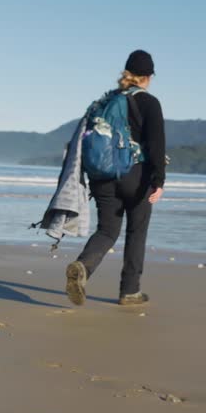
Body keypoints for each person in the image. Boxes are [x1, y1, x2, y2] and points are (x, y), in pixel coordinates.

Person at [65, 49, 166, 307]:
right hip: (136, 174)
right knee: (136, 231)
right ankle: (129, 291)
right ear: (148, 76)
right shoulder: (149, 102)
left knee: (108, 230)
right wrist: (159, 181)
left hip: (102, 175)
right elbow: (156, 145)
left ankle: (84, 266)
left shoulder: (106, 101)